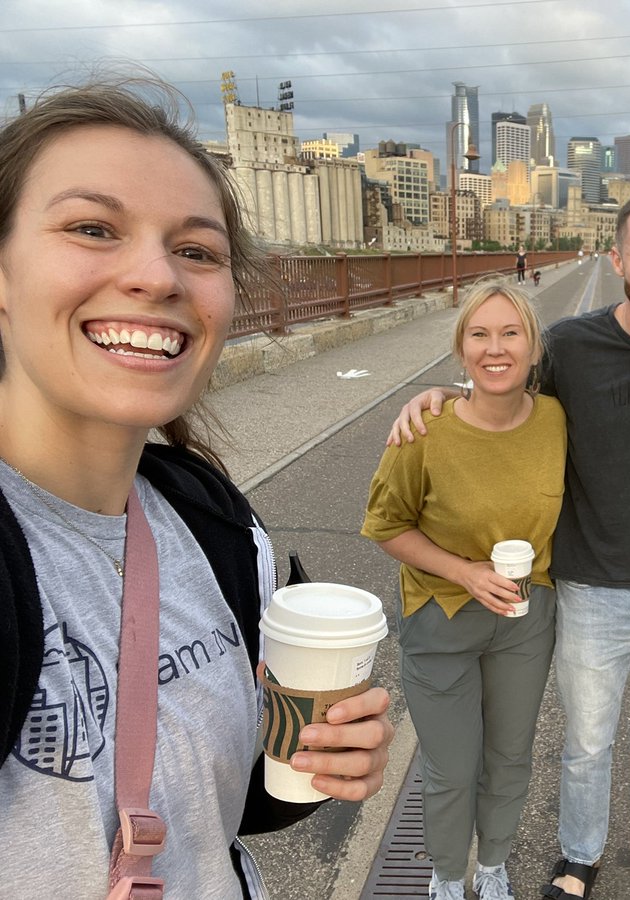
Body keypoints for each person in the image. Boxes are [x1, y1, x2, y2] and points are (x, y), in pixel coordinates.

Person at [0, 79, 394, 898]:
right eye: (92, 228)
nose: (155, 275)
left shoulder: (209, 522)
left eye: (197, 250)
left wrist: (311, 762)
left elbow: (218, 808)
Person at [392, 190, 630, 900]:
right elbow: (500, 385)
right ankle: (579, 852)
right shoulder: (572, 346)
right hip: (591, 582)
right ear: (617, 259)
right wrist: (438, 394)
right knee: (587, 742)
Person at [362, 281, 566, 900]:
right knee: (452, 768)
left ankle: (494, 865)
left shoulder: (556, 418)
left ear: (534, 349)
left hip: (527, 615)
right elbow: (384, 526)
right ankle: (448, 875)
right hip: (441, 615)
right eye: (479, 334)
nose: (495, 348)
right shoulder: (424, 431)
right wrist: (465, 572)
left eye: (511, 333)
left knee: (509, 757)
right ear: (461, 348)